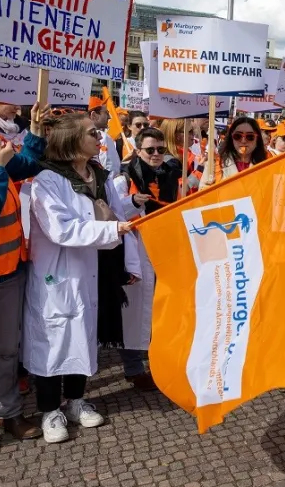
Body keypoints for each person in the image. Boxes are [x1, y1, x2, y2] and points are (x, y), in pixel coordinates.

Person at [22, 113, 141, 444]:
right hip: (56, 276)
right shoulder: (47, 180)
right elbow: (61, 229)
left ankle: (75, 402)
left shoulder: (99, 175)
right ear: (71, 141)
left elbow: (115, 213)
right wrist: (110, 226)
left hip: (90, 269)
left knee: (82, 338)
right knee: (52, 341)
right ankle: (49, 410)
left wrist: (127, 211)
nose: (99, 138)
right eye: (91, 133)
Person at [0, 94, 45, 440]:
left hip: (5, 275)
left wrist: (34, 127)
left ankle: (7, 414)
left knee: (4, 351)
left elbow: (31, 165)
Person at [114, 127, 182, 392]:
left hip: (162, 247)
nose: (156, 155)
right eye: (150, 150)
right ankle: (133, 368)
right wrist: (132, 201)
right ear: (138, 150)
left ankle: (157, 362)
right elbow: (112, 210)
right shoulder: (123, 176)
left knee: (157, 309)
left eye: (160, 150)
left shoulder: (171, 173)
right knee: (132, 311)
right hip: (136, 249)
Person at [204, 116, 268, 185]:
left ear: (257, 140)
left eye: (250, 136)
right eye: (238, 136)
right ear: (231, 139)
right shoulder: (214, 164)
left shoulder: (268, 164)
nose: (243, 141)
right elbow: (202, 192)